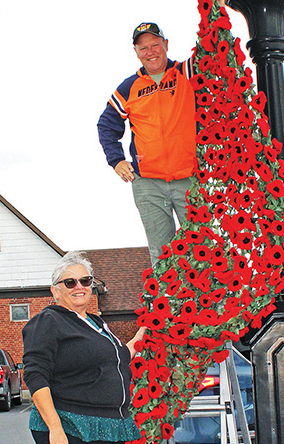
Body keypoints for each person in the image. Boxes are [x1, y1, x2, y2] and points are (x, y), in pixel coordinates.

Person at [23, 251, 145, 444]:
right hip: (72, 427)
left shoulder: (95, 323)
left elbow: (113, 359)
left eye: (85, 280)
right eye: (70, 282)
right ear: (55, 290)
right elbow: (35, 374)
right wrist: (55, 428)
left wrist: (138, 339)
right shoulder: (49, 321)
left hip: (110, 429)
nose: (79, 287)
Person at [97, 22, 198, 266]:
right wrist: (117, 160)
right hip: (148, 184)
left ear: (166, 45)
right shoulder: (128, 87)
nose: (150, 52)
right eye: (144, 48)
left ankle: (207, 304)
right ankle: (170, 304)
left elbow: (212, 49)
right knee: (162, 256)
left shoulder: (188, 72)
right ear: (136, 52)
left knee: (201, 248)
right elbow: (106, 125)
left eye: (155, 45)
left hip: (191, 179)